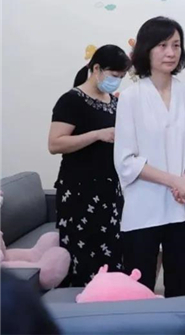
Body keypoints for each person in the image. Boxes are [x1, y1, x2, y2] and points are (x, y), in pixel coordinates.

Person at [114, 16, 185, 297]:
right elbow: (125, 161)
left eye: (176, 45)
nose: (170, 52)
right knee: (140, 291)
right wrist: (174, 181)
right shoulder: (131, 97)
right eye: (162, 45)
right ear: (146, 49)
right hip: (144, 208)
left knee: (179, 288)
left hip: (182, 207)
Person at [48, 44, 131, 286]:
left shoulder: (113, 102)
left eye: (121, 76)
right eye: (114, 75)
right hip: (79, 192)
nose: (117, 81)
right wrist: (96, 135)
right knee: (82, 256)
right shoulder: (71, 100)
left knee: (112, 253)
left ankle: (110, 299)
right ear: (96, 69)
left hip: (109, 190)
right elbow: (55, 143)